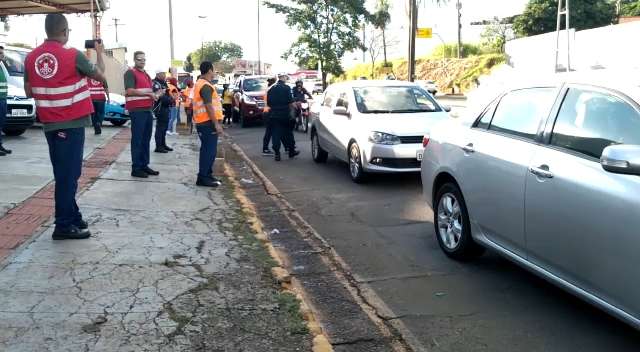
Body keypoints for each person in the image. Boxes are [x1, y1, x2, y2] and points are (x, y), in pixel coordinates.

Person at [24, 14, 106, 240]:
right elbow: (100, 75)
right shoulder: (73, 55)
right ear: (65, 31)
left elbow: (28, 91)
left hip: (50, 124)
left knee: (64, 174)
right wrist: (99, 53)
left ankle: (73, 216)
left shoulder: (31, 58)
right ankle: (62, 225)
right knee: (68, 177)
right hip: (70, 123)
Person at [124, 51, 160, 178]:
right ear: (134, 60)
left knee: (146, 139)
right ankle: (136, 168)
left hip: (147, 110)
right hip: (137, 111)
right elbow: (129, 91)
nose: (142, 61)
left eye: (144, 59)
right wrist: (148, 94)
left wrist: (156, 94)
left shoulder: (146, 75)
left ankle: (144, 165)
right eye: (139, 59)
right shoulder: (130, 73)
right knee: (138, 139)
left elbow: (148, 91)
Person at [192, 61, 224, 187]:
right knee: (209, 151)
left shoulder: (201, 84)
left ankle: (207, 175)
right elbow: (208, 106)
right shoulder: (205, 85)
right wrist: (216, 124)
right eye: (214, 70)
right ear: (210, 70)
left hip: (204, 122)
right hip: (207, 123)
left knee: (208, 150)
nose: (215, 72)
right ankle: (203, 177)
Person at [267, 73, 299, 161]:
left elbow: (269, 103)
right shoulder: (286, 88)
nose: (286, 78)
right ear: (283, 78)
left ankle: (277, 153)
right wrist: (296, 109)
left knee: (276, 134)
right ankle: (291, 151)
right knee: (288, 133)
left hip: (274, 114)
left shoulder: (271, 89)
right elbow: (291, 101)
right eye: (286, 77)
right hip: (285, 114)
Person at [152, 70, 173, 153]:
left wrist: (171, 99)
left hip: (165, 107)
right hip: (160, 108)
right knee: (160, 128)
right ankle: (158, 146)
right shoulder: (156, 84)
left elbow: (167, 93)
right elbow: (160, 96)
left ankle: (163, 144)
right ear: (158, 74)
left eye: (164, 73)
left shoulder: (163, 83)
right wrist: (169, 100)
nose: (164, 75)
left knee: (164, 127)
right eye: (163, 73)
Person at [0, 46, 11, 156]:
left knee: (1, 124)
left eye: (2, 53)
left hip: (3, 99)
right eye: (0, 53)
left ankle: (0, 145)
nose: (2, 55)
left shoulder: (1, 66)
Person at [262, 77, 276, 155]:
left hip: (266, 112)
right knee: (270, 132)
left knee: (270, 131)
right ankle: (265, 149)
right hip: (269, 112)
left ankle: (266, 148)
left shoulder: (268, 89)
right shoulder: (272, 90)